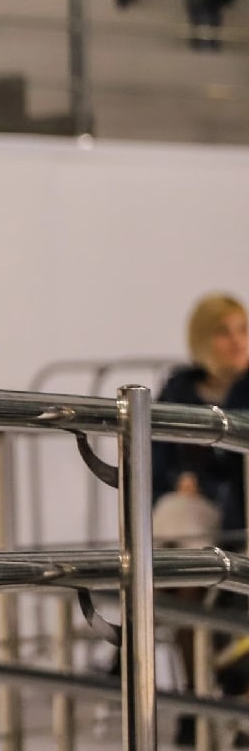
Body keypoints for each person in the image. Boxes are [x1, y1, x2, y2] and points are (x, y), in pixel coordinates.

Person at [151, 293, 249, 744]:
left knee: (183, 573)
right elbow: (154, 463)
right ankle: (208, 696)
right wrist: (181, 479)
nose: (237, 341)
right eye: (224, 332)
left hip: (236, 516)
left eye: (243, 330)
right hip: (189, 522)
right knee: (180, 557)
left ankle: (201, 698)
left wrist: (200, 482)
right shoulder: (178, 389)